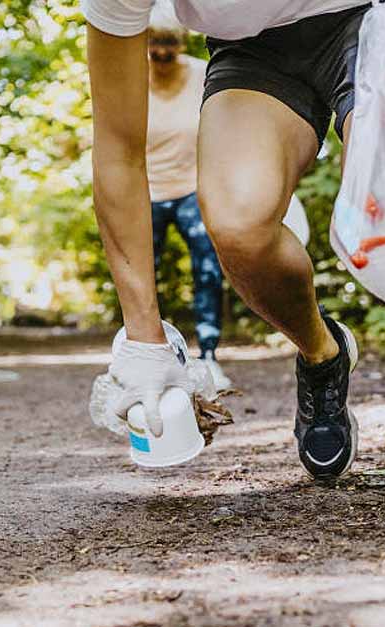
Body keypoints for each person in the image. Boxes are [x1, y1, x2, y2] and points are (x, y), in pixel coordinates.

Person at [83, 0, 385, 495]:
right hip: (251, 51)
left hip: (371, 16)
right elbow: (117, 152)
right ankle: (322, 353)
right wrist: (144, 342)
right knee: (237, 227)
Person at [143, 6, 231, 392]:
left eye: (169, 43)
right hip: (146, 192)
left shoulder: (200, 72)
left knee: (209, 267)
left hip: (194, 187)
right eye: (154, 44)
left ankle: (209, 353)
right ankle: (148, 354)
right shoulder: (131, 76)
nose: (162, 52)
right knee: (143, 271)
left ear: (181, 42)